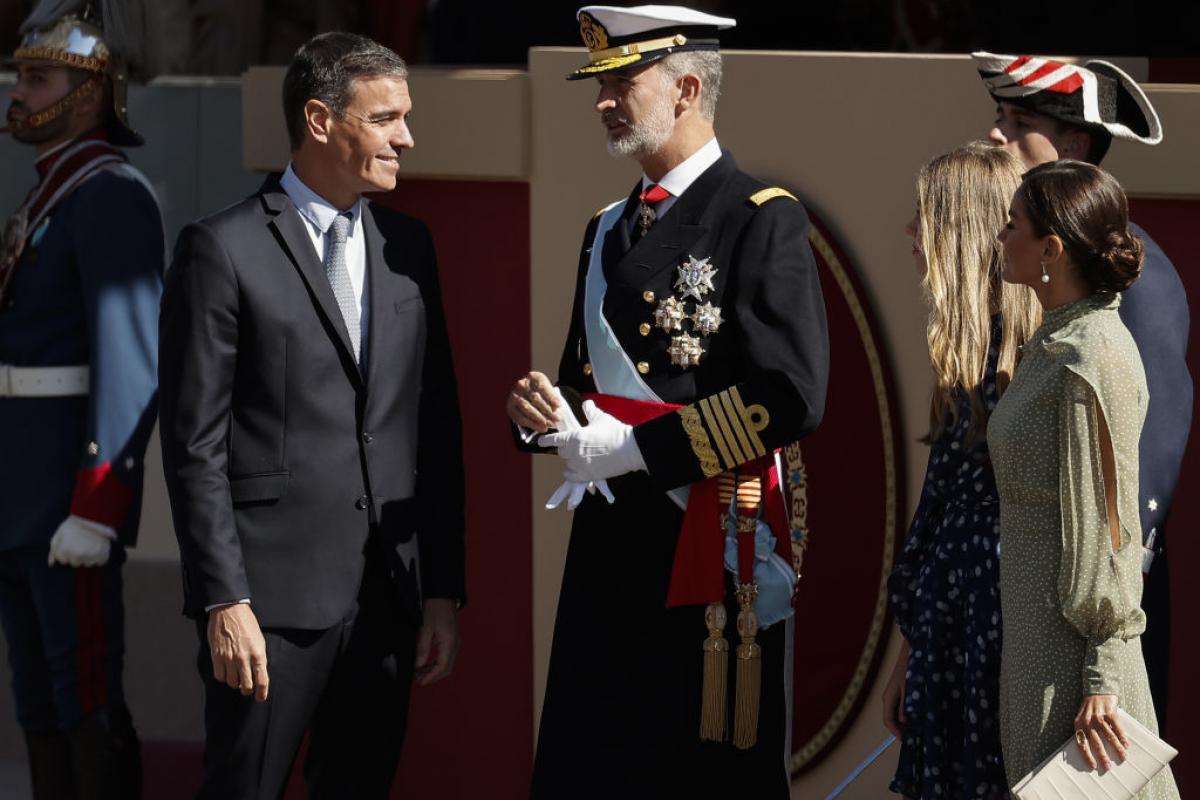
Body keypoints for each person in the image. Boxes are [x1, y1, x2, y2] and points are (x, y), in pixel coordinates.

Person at [505, 6, 828, 798]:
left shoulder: (761, 219)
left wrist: (638, 451)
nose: (604, 100)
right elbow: (585, 382)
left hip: (707, 542)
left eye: (622, 82)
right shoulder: (605, 227)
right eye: (602, 85)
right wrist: (545, 420)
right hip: (610, 546)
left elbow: (790, 394)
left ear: (686, 88)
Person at [159, 32, 465, 799]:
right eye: (387, 117)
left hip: (388, 600)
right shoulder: (221, 249)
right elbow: (193, 444)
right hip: (268, 608)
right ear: (323, 121)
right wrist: (223, 599)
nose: (407, 138)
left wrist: (441, 589)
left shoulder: (410, 247)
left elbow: (435, 424)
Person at [974, 52, 1191, 724]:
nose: (997, 137)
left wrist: (1110, 626)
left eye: (1019, 121)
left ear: (1072, 144)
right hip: (1031, 592)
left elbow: (1144, 453)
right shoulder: (1028, 268)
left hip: (1098, 605)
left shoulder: (1138, 278)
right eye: (998, 118)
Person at [0, 1, 161, 796]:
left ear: (92, 92)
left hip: (68, 493)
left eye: (39, 77)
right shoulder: (50, 196)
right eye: (21, 75)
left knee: (85, 692)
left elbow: (129, 363)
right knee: (38, 697)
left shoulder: (110, 196)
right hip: (22, 491)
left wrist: (98, 505)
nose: (20, 93)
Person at [988, 160, 1178, 798]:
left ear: (1051, 248)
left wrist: (1101, 676)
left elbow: (1107, 526)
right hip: (1036, 645)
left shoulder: (1090, 353)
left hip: (1073, 668)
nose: (999, 237)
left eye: (1011, 225)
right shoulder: (1058, 340)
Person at [881, 142, 1039, 799]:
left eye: (925, 216)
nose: (911, 232)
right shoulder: (967, 354)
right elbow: (937, 516)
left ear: (963, 232)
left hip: (996, 634)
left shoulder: (1030, 361)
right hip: (952, 633)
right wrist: (910, 656)